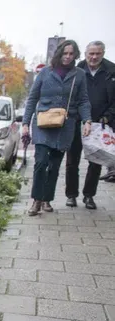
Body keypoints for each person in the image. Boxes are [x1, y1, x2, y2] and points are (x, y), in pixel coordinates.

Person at [23, 40, 92, 216]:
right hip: (43, 124)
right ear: (59, 54)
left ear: (76, 55)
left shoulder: (79, 75)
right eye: (65, 53)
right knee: (40, 163)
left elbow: (83, 100)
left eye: (71, 54)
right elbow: (32, 98)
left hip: (65, 126)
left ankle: (47, 199)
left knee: (54, 165)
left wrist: (87, 121)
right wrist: (25, 123)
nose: (68, 57)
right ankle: (36, 201)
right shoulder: (46, 72)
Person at [64, 41, 115, 209]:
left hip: (100, 123)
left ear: (103, 53)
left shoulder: (111, 71)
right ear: (85, 54)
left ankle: (89, 196)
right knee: (72, 161)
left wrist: (107, 117)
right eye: (90, 54)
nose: (94, 57)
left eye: (97, 54)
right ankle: (71, 195)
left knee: (95, 161)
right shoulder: (77, 70)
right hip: (77, 121)